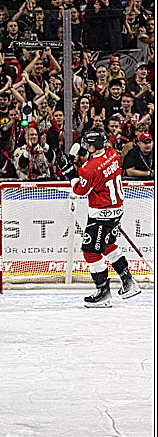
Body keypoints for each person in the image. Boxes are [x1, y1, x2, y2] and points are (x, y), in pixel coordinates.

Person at [61, 130, 141, 307]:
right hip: (117, 209)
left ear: (91, 146)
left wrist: (71, 173)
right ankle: (128, 282)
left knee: (91, 251)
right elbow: (97, 168)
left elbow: (80, 190)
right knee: (109, 245)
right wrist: (79, 161)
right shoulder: (112, 154)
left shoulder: (89, 169)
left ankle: (103, 292)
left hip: (101, 214)